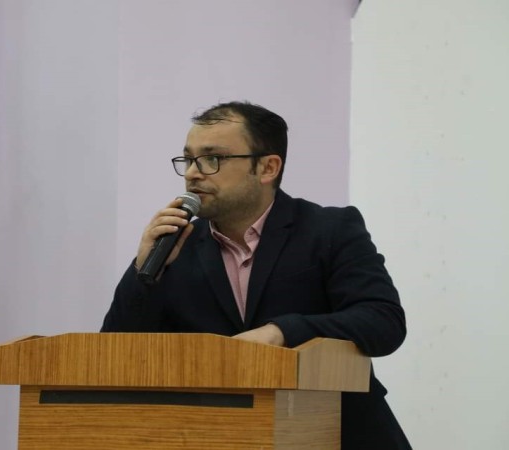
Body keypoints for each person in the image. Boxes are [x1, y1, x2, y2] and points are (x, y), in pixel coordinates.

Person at [102, 101, 411, 449]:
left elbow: (382, 321)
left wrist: (281, 333)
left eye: (212, 158)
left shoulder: (329, 229)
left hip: (337, 432)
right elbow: (115, 355)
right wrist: (143, 270)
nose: (193, 173)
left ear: (267, 167)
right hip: (219, 438)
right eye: (188, 159)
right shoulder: (176, 246)